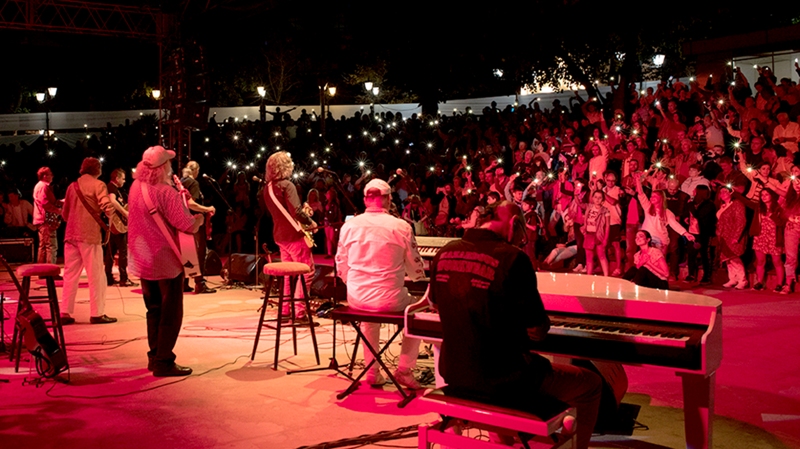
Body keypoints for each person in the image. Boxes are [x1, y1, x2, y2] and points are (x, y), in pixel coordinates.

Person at [429, 201, 601, 449]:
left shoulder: (444, 252)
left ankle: (508, 442)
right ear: (513, 223)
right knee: (591, 385)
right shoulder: (513, 258)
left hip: (455, 375)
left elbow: (436, 304)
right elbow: (538, 330)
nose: (522, 239)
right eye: (523, 233)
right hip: (505, 381)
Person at [335, 178, 425, 389]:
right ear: (387, 199)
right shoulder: (401, 226)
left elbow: (340, 264)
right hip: (389, 300)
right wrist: (415, 275)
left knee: (369, 318)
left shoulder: (349, 226)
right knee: (420, 312)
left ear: (366, 199)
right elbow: (415, 270)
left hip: (356, 297)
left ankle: (373, 372)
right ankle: (404, 369)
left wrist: (356, 284)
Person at [129, 146, 204, 377]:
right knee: (170, 313)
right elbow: (186, 224)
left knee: (153, 310)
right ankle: (164, 360)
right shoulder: (165, 192)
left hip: (143, 259)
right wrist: (199, 219)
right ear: (163, 168)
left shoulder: (134, 187)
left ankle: (154, 356)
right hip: (166, 260)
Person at [60, 157, 117, 325]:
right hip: (89, 235)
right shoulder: (98, 185)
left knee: (70, 275)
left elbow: (65, 214)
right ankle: (97, 313)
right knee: (96, 275)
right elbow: (106, 205)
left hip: (71, 235)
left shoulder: (72, 186)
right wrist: (112, 214)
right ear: (97, 169)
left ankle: (65, 312)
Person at [263, 151, 315, 320]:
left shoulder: (267, 188)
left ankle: (285, 309)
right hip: (293, 235)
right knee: (307, 270)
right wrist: (310, 223)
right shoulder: (287, 185)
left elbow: (282, 212)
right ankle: (300, 311)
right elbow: (296, 211)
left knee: (288, 273)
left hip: (279, 234)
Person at [181, 161, 217, 294]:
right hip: (195, 223)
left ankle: (184, 283)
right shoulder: (193, 183)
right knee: (199, 253)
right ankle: (199, 284)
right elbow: (192, 204)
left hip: (182, 223)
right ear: (195, 171)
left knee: (187, 253)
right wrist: (208, 208)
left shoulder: (180, 182)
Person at [104, 168, 137, 287]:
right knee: (122, 253)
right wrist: (125, 213)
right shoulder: (112, 188)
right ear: (116, 178)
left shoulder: (114, 189)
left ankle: (108, 277)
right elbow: (113, 201)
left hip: (113, 226)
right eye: (123, 179)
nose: (124, 181)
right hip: (117, 226)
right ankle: (124, 278)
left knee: (111, 253)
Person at [33, 167, 61, 265]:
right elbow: (45, 203)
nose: (52, 176)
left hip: (41, 219)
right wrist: (58, 211)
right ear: (44, 176)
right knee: (51, 246)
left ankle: (42, 271)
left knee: (43, 246)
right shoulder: (43, 186)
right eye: (50, 174)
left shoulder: (39, 186)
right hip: (45, 220)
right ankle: (50, 272)